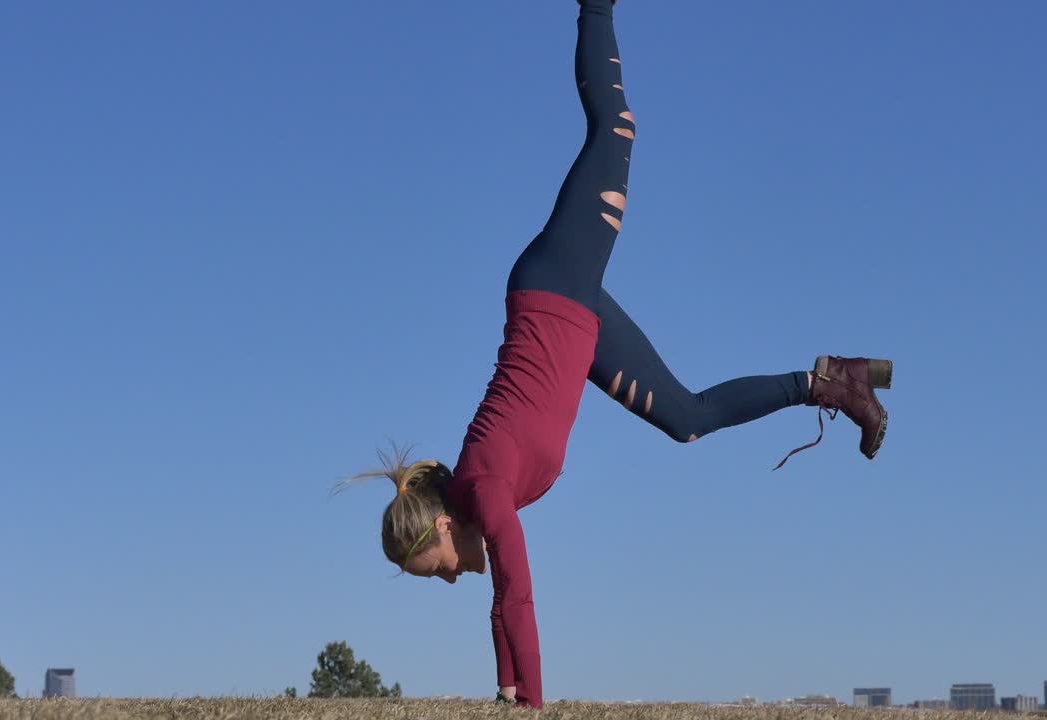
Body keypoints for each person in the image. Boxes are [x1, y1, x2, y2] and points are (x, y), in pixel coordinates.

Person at [341, 0, 892, 708]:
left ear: (444, 526)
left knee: (615, 127)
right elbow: (501, 602)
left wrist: (530, 701)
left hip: (554, 287)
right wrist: (506, 685)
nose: (451, 577)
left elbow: (517, 598)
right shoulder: (479, 498)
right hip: (573, 323)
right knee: (687, 418)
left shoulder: (482, 490)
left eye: (437, 567)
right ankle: (831, 384)